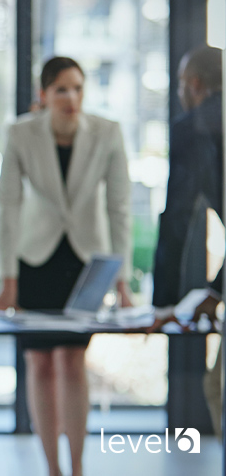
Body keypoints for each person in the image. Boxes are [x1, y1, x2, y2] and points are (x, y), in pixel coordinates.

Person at [0, 56, 132, 476]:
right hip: (34, 260)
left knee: (72, 360)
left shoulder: (108, 132)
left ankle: (77, 467)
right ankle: (51, 467)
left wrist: (121, 279)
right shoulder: (20, 133)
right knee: (40, 362)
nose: (72, 98)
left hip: (86, 262)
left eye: (78, 89)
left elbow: (119, 208)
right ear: (44, 95)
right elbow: (8, 208)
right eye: (62, 89)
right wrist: (7, 279)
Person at [149, 45, 223, 434]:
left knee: (218, 387)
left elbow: (177, 218)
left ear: (194, 85)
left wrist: (162, 305)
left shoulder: (195, 126)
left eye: (180, 83)